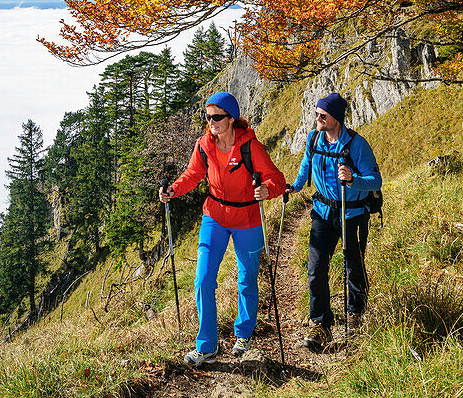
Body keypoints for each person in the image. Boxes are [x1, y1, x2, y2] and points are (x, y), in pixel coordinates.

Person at [160, 91, 286, 365]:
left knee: (247, 279)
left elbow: (276, 178)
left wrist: (268, 190)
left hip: (248, 219)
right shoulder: (204, 145)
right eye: (208, 117)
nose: (211, 122)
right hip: (214, 216)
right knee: (203, 279)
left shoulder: (250, 147)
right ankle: (206, 345)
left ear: (231, 118)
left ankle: (243, 334)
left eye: (217, 117)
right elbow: (193, 175)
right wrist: (173, 190)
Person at [287, 92, 382, 352]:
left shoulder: (357, 145)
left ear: (336, 118)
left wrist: (352, 179)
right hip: (322, 212)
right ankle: (321, 325)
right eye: (316, 113)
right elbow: (306, 166)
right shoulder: (314, 138)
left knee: (354, 266)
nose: (317, 118)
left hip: (351, 214)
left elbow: (376, 181)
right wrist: (294, 188)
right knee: (316, 268)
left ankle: (356, 317)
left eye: (322, 115)